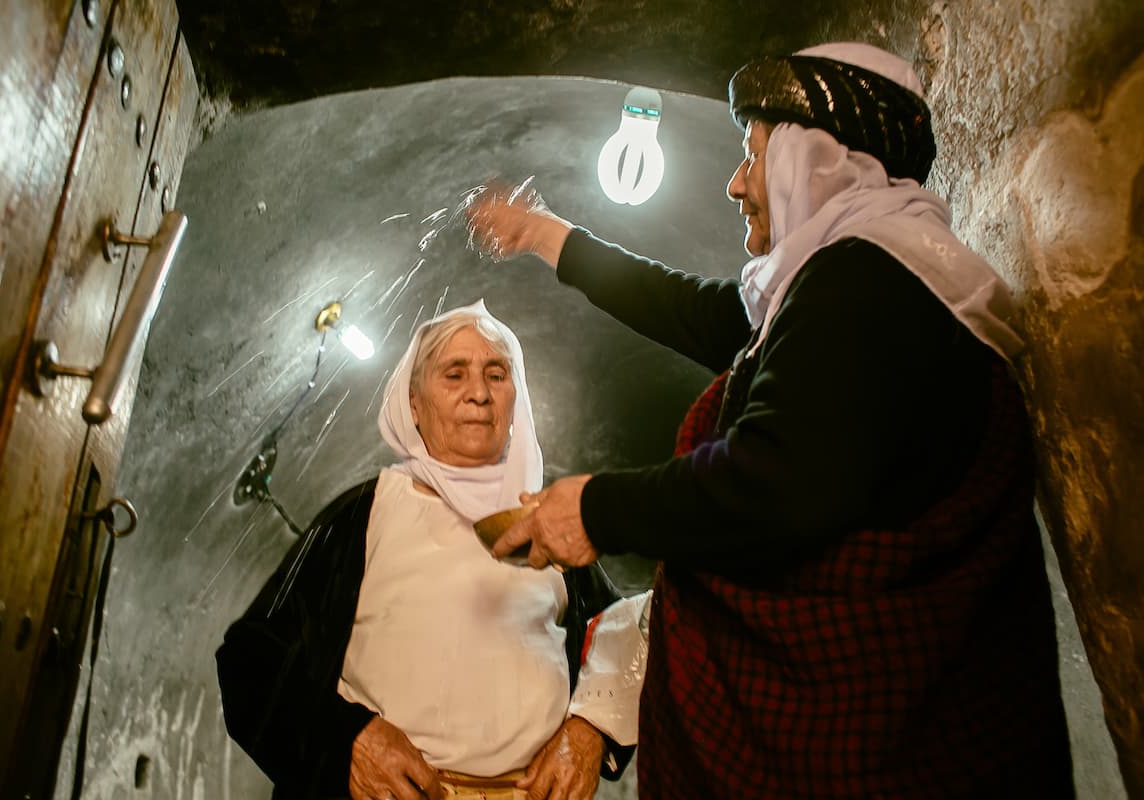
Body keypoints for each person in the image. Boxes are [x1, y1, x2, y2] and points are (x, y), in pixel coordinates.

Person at [465, 42, 1074, 799]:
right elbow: (687, 305)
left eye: (751, 156)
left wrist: (593, 508)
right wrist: (543, 233)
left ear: (810, 161)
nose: (734, 184)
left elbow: (775, 483)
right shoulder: (868, 284)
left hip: (872, 758)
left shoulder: (867, 284)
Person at [216, 300, 637, 800]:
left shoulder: (547, 517)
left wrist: (590, 731)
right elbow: (251, 659)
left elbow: (622, 628)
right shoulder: (364, 515)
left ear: (515, 398)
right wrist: (348, 738)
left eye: (496, 374)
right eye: (454, 375)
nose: (478, 393)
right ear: (415, 405)